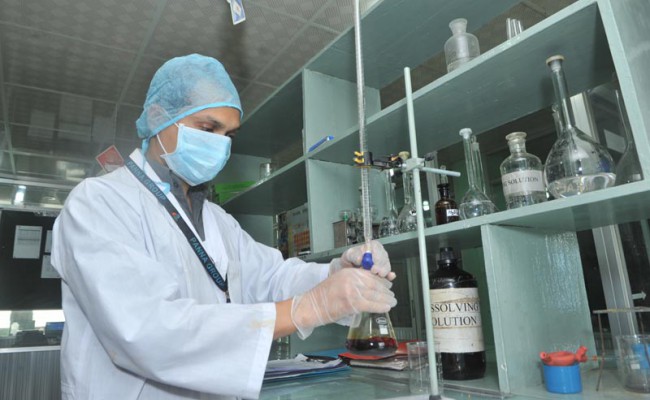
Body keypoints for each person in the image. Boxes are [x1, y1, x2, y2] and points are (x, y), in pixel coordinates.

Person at [51, 54, 397, 400]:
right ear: (158, 117)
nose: (220, 144)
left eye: (229, 134)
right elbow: (145, 329)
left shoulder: (217, 219)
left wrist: (336, 275)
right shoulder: (99, 202)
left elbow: (272, 277)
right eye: (208, 128)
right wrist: (308, 308)